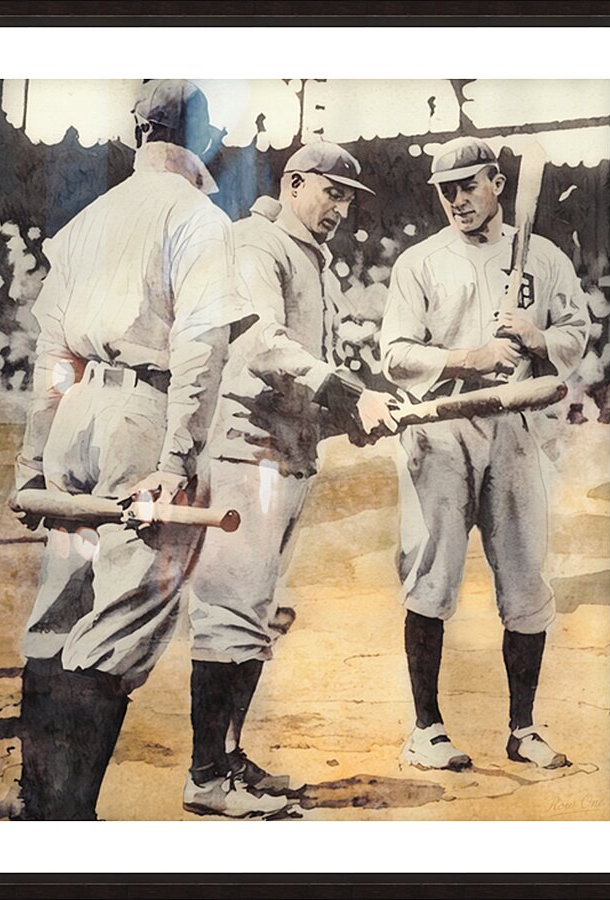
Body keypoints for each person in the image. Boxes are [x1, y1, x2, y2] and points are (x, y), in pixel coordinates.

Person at [10, 79, 250, 820]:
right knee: (123, 617)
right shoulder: (197, 215)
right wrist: (176, 462)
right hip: (143, 413)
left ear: (139, 132)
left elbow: (53, 350)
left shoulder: (90, 219)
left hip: (77, 408)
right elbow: (201, 349)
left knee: (59, 611)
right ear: (202, 136)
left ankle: (35, 801)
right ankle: (66, 814)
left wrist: (34, 454)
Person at [182, 142, 399, 817]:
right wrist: (346, 389)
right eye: (330, 192)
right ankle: (205, 777)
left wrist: (347, 417)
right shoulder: (258, 242)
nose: (339, 208)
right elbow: (259, 348)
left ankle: (230, 757)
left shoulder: (314, 260)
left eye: (348, 199)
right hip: (246, 456)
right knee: (228, 615)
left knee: (254, 617)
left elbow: (302, 389)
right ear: (294, 182)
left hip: (287, 454)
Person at [380, 136, 590, 772]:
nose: (456, 200)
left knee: (527, 580)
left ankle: (522, 727)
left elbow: (576, 332)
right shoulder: (420, 261)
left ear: (498, 183)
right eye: (446, 191)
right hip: (441, 426)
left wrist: (538, 337)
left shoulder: (545, 258)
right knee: (432, 577)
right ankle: (427, 728)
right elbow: (395, 354)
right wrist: (464, 357)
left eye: (468, 186)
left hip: (517, 424)